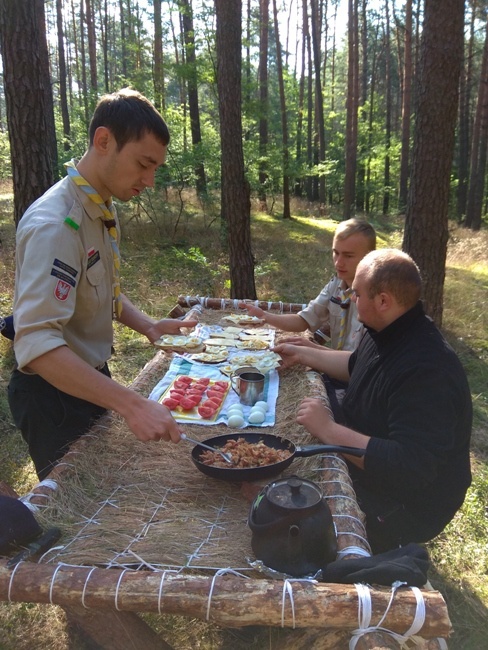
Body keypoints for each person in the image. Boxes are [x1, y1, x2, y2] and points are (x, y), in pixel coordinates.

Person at [8, 88, 197, 481]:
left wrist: (147, 325)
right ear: (104, 141)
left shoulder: (100, 206)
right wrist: (132, 404)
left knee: (105, 486)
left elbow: (99, 286)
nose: (149, 179)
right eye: (144, 163)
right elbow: (37, 344)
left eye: (156, 168)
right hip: (53, 397)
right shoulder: (56, 223)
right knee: (79, 515)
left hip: (88, 380)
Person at [273, 249, 472, 553]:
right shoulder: (390, 328)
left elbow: (409, 465)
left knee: (289, 525)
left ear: (382, 301)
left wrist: (329, 430)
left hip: (405, 504)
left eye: (356, 293)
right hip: (380, 464)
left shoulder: (428, 370)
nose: (351, 298)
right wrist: (306, 352)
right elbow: (359, 366)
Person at [241, 218, 376, 351]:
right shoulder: (336, 285)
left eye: (348, 256)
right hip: (336, 369)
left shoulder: (375, 299)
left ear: (370, 256)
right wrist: (265, 316)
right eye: (336, 253)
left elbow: (358, 364)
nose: (338, 263)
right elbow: (304, 320)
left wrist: (311, 349)